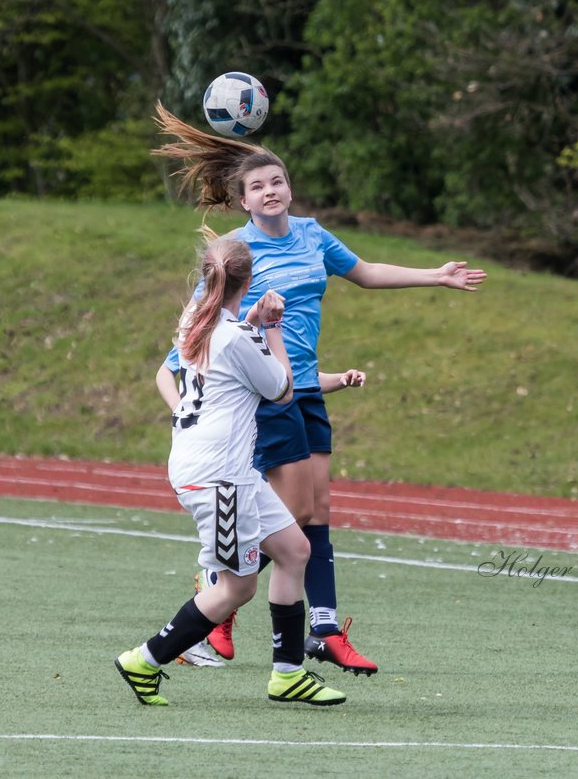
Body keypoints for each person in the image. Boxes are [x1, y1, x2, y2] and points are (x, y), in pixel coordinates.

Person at [151, 102, 488, 676]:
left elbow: (365, 271)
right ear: (242, 201)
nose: (271, 190)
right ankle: (218, 609)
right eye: (258, 186)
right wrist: (184, 406)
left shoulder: (312, 236)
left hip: (305, 388)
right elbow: (184, 346)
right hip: (264, 396)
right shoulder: (232, 251)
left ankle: (322, 628)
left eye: (278, 180)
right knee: (294, 515)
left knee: (317, 511)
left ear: (290, 187)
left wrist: (435, 275)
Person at [115, 235, 348, 707]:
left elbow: (228, 341)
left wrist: (253, 320)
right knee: (237, 587)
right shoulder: (237, 335)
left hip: (224, 468)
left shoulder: (196, 320)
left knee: (294, 550)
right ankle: (144, 660)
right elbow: (282, 389)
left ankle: (287, 675)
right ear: (250, 279)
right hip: (218, 475)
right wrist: (274, 327)